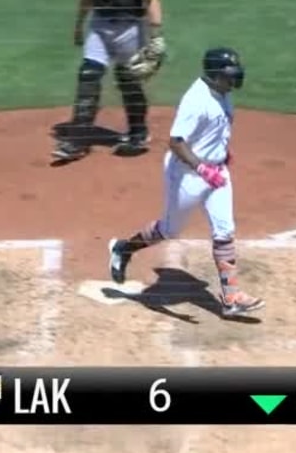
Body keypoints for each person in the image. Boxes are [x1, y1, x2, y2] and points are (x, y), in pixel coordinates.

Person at [106, 47, 264, 318]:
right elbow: (176, 142)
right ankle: (123, 248)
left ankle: (231, 297)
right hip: (187, 174)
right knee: (169, 230)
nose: (233, 81)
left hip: (217, 171)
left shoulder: (223, 93)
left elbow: (218, 129)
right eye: (229, 75)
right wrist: (203, 168)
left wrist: (222, 153)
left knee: (224, 231)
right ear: (215, 75)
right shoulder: (196, 100)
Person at [52, 0, 166, 163]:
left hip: (131, 26)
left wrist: (156, 34)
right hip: (100, 23)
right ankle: (79, 140)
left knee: (128, 80)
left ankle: (138, 133)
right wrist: (79, 25)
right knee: (89, 76)